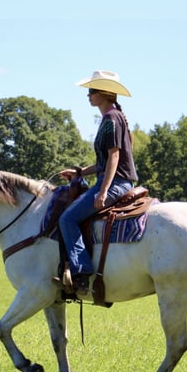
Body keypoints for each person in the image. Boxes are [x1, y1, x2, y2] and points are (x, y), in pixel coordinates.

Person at [58, 70, 139, 297]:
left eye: (92, 91)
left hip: (115, 183)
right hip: (116, 179)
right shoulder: (114, 117)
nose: (88, 95)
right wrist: (80, 172)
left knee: (67, 218)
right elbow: (104, 162)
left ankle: (82, 273)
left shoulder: (111, 119)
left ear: (103, 93)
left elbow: (114, 157)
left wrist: (103, 191)